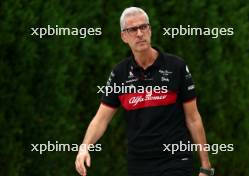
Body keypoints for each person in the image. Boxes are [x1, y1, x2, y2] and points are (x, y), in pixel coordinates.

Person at [75, 7, 214, 176]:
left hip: (175, 159)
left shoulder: (176, 66)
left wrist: (205, 167)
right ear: (123, 37)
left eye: (143, 27)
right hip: (139, 163)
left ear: (150, 30)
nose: (139, 33)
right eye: (132, 29)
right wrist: (84, 148)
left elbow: (193, 118)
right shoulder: (119, 74)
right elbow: (101, 119)